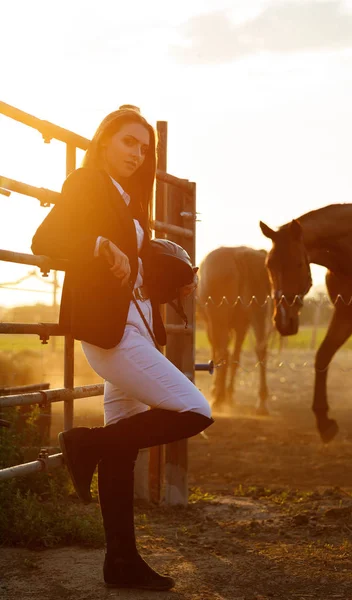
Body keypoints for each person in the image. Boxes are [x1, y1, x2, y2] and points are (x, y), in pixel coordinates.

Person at [31, 105, 213, 591]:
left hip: (131, 324)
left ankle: (122, 562)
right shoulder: (88, 183)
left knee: (123, 447)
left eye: (144, 148)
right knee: (195, 409)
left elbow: (132, 275)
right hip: (111, 334)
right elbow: (46, 236)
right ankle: (83, 443)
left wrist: (167, 286)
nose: (137, 153)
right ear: (105, 140)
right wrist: (98, 245)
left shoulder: (127, 200)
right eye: (128, 142)